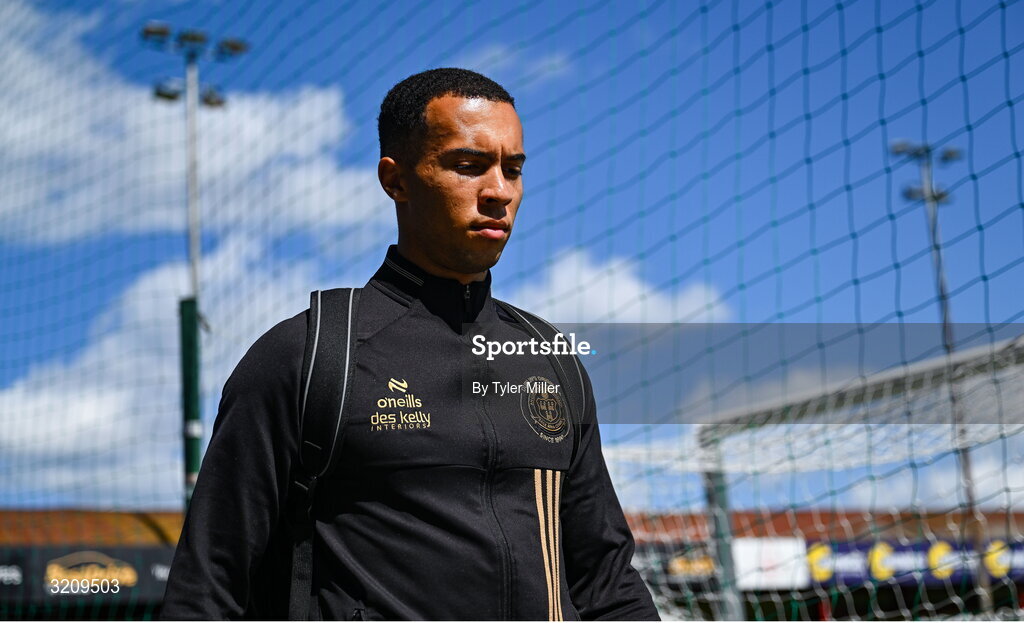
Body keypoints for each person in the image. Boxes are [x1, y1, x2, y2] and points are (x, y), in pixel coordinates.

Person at [160, 68, 659, 621]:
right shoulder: (309, 356)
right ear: (394, 180)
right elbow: (206, 589)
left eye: (512, 169)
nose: (498, 191)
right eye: (468, 166)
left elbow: (607, 583)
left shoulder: (548, 358)